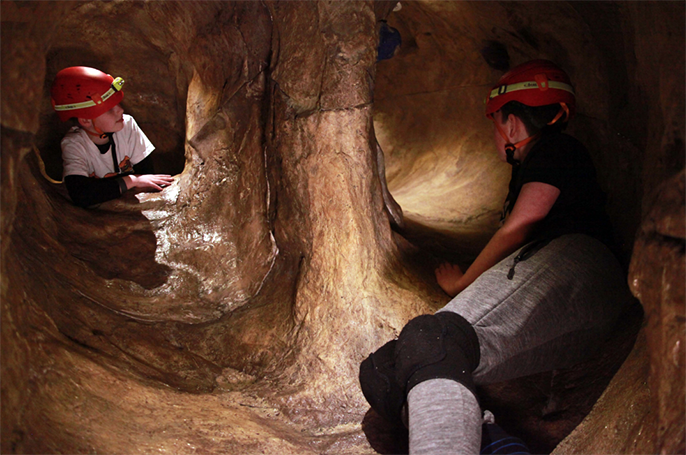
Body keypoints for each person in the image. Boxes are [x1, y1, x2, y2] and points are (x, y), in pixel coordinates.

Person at [360, 60, 633, 454]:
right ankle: (494, 443)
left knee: (431, 341)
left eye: (495, 122)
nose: (495, 132)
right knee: (382, 373)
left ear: (512, 124)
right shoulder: (548, 158)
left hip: (576, 267)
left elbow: (521, 224)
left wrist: (462, 282)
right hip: (570, 302)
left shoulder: (557, 148)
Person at [50, 66, 174, 208]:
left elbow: (147, 176)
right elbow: (81, 195)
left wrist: (116, 186)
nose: (120, 110)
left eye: (117, 104)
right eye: (109, 110)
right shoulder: (74, 144)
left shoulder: (127, 125)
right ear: (85, 120)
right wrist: (132, 180)